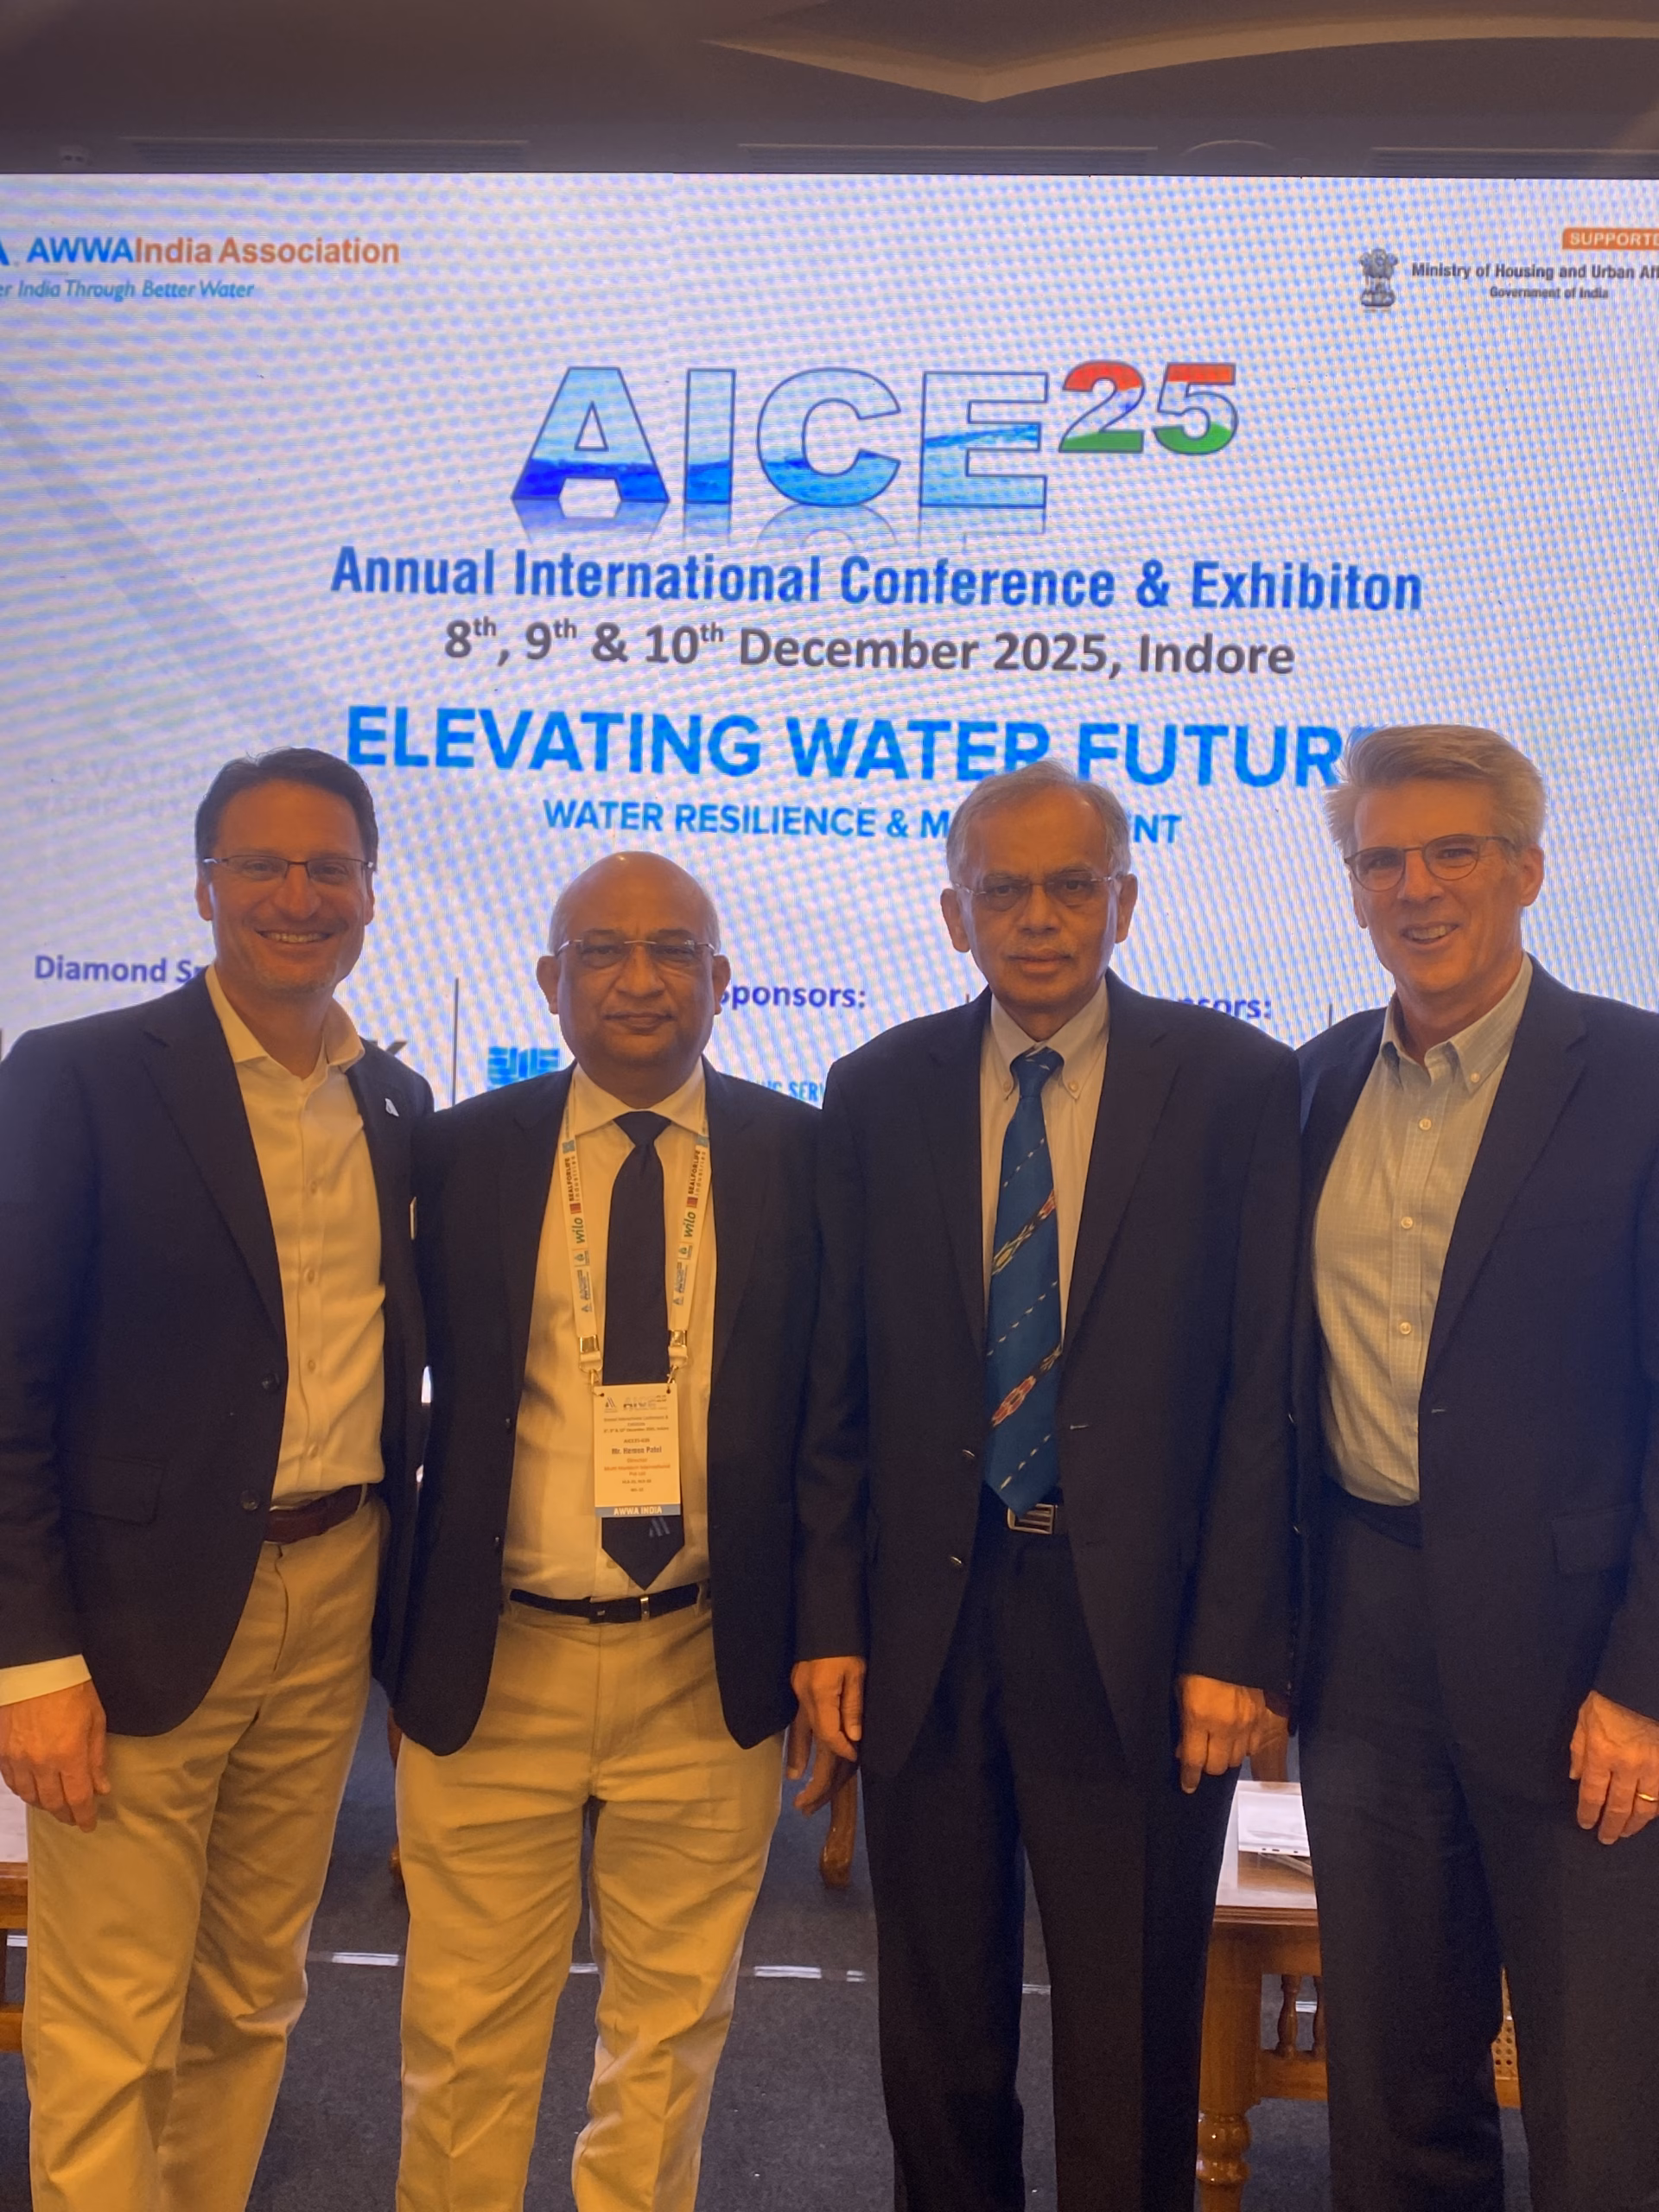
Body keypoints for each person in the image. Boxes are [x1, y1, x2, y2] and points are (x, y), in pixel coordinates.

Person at [792, 758, 1300, 2212]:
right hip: (926, 1629)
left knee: (1130, 2019)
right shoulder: (875, 1089)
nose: (1037, 918)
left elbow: (1262, 1389)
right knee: (936, 2026)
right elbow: (840, 1384)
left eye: (1070, 885)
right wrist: (829, 1614)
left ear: (1124, 902)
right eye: (1000, 890)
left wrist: (1236, 1643)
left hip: (1134, 1632)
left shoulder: (1235, 1085)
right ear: (952, 914)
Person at [0, 747, 429, 2211]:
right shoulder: (80, 1077)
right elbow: (11, 1387)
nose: (297, 897)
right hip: (130, 1627)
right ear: (203, 887)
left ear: (373, 892)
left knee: (253, 1995)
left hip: (332, 1599)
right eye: (262, 866)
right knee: (111, 2019)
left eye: (330, 868)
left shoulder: (397, 1103)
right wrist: (31, 1662)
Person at [393, 851, 826, 2211]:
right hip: (497, 1652)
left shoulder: (806, 1158)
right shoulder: (454, 1155)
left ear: (721, 980)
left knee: (670, 2037)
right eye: (600, 950)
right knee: (462, 2039)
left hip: (707, 1660)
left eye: (672, 951)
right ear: (548, 981)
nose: (638, 979)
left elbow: (839, 1423)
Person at [1295, 722, 1659, 2212]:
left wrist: (1645, 1678)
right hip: (1367, 1642)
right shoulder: (1313, 1086)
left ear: (1528, 869)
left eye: (1454, 853)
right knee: (1394, 2081)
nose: (1417, 887)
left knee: (1602, 2101)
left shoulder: (1638, 1077)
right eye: (1383, 860)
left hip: (1583, 1664)